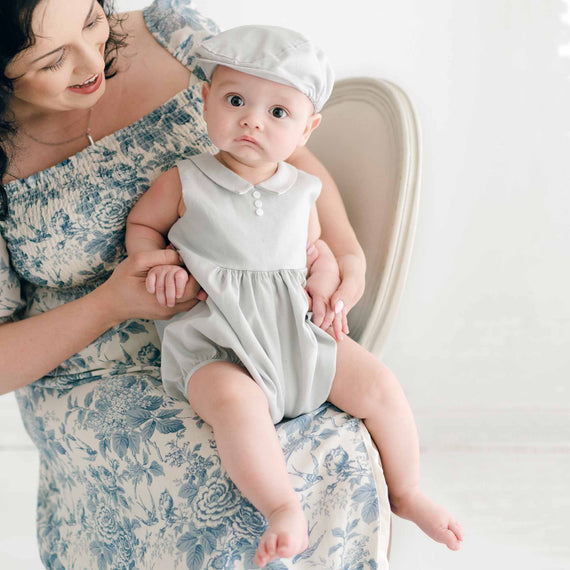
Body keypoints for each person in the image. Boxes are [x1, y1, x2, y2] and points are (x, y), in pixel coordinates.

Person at [0, 1, 390, 567]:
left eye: (90, 20)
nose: (92, 63)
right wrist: (112, 302)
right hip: (99, 370)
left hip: (260, 323)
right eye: (52, 58)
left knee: (332, 448)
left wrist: (343, 256)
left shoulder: (174, 34)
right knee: (214, 478)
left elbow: (292, 158)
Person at [126, 25, 464, 568]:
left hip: (296, 335)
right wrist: (156, 262)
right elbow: (143, 227)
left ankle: (408, 492)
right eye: (235, 100)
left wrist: (326, 274)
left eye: (278, 113)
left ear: (307, 129)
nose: (252, 120)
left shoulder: (305, 190)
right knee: (236, 407)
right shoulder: (185, 181)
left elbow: (316, 251)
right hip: (221, 341)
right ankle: (282, 506)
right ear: (206, 102)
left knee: (378, 383)